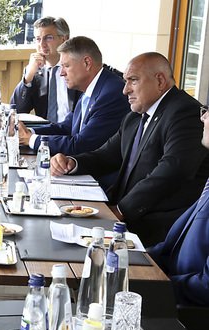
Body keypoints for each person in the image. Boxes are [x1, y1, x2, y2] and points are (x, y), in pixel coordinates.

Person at [51, 52, 209, 247]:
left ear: (160, 81)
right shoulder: (135, 116)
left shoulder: (185, 112)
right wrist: (72, 162)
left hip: (155, 229)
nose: (125, 90)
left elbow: (172, 171)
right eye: (125, 81)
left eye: (133, 81)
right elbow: (107, 155)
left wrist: (120, 210)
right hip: (120, 216)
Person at [18, 36, 130, 158]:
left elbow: (81, 145)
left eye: (66, 66)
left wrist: (32, 140)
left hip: (98, 173)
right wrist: (28, 132)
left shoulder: (111, 94)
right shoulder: (93, 86)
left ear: (87, 63)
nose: (61, 73)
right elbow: (65, 127)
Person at [148, 105, 209, 306]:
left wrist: (147, 286)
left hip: (190, 318)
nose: (203, 118)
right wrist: (128, 256)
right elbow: (171, 247)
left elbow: (205, 287)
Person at [9, 16, 81, 123]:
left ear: (64, 39)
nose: (42, 44)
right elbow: (16, 110)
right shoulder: (34, 71)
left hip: (72, 134)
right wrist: (28, 77)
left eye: (48, 38)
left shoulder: (78, 67)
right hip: (44, 134)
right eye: (38, 39)